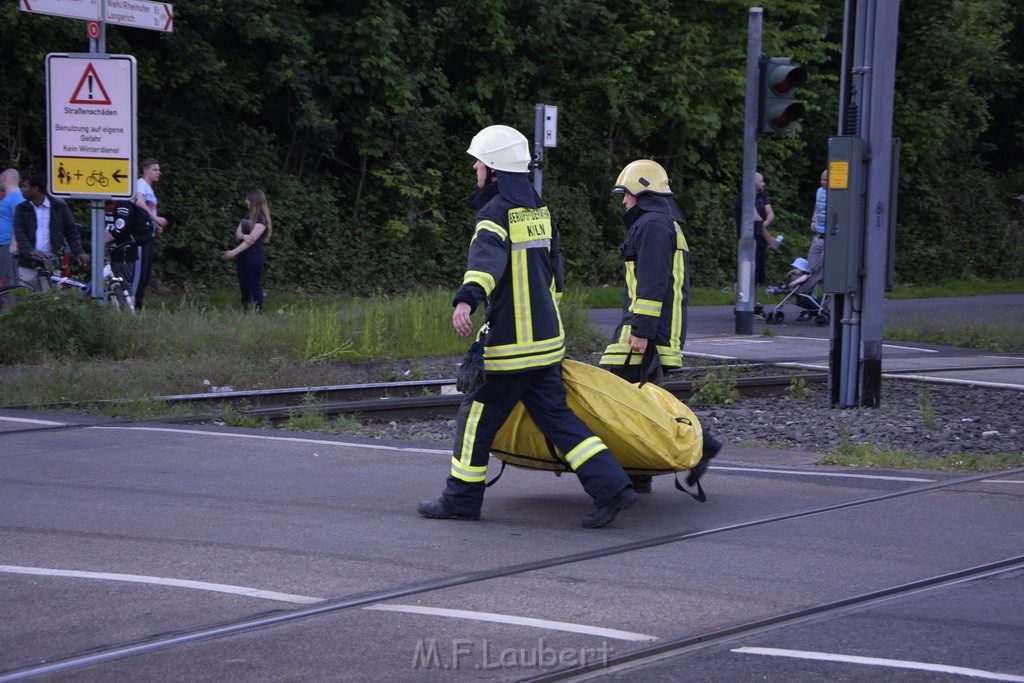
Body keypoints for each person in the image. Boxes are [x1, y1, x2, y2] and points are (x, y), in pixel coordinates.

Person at [417, 124, 637, 529]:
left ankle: (461, 498)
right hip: (546, 343)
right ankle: (612, 487)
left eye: (478, 163)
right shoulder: (538, 209)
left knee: (475, 418)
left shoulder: (494, 213)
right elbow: (555, 271)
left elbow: (486, 263)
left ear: (495, 169)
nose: (475, 170)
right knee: (559, 419)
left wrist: (466, 299)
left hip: (512, 346)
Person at [598, 159, 723, 493]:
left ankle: (697, 446)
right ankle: (641, 472)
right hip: (655, 331)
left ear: (642, 191)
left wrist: (640, 331)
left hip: (643, 332)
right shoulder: (667, 223)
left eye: (626, 194)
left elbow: (652, 284)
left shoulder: (653, 224)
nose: (623, 201)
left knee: (609, 397)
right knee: (643, 401)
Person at [13, 173, 89, 287]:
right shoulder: (21, 208)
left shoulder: (58, 206)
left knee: (53, 298)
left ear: (35, 188)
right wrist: (30, 250)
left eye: (24, 186)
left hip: (52, 261)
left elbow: (71, 231)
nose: (21, 189)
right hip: (28, 262)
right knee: (26, 297)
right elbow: (19, 232)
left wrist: (79, 251)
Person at [734, 171, 779, 315]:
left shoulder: (761, 196)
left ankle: (754, 305)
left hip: (759, 242)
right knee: (742, 275)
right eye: (761, 181)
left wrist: (763, 226)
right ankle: (740, 307)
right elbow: (756, 218)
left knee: (756, 277)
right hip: (748, 243)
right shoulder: (745, 198)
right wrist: (769, 238)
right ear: (753, 182)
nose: (764, 183)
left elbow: (769, 214)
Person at [220, 188, 272, 312]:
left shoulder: (261, 219)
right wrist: (244, 236)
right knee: (244, 285)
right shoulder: (247, 216)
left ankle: (258, 313)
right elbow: (237, 233)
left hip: (254, 256)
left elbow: (251, 241)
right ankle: (246, 311)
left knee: (254, 285)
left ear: (254, 200)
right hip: (243, 255)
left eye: (247, 199)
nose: (245, 201)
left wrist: (233, 252)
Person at [104, 198, 152, 307]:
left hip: (123, 252)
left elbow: (118, 230)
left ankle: (129, 315)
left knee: (123, 285)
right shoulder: (115, 203)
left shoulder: (123, 204)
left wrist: (99, 243)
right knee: (114, 285)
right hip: (114, 250)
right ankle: (115, 314)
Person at [133, 158, 167, 310]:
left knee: (145, 274)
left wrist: (156, 226)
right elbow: (138, 201)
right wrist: (155, 218)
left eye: (158, 169)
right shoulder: (140, 183)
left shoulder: (150, 189)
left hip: (149, 234)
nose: (159, 173)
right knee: (139, 274)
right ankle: (133, 309)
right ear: (146, 170)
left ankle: (138, 306)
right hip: (140, 236)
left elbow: (148, 208)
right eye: (155, 170)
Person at [0, 169, 23, 295]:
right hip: (3, 245)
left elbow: (19, 220)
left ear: (4, 178)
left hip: (9, 246)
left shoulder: (16, 196)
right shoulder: (8, 197)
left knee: (10, 281)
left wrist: (14, 244)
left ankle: (13, 310)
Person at [807, 169, 827, 269]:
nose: (822, 182)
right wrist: (813, 221)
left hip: (830, 239)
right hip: (818, 237)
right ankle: (811, 285)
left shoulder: (838, 194)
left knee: (825, 269)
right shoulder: (819, 191)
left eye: (826, 180)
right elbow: (817, 207)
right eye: (821, 179)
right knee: (811, 267)